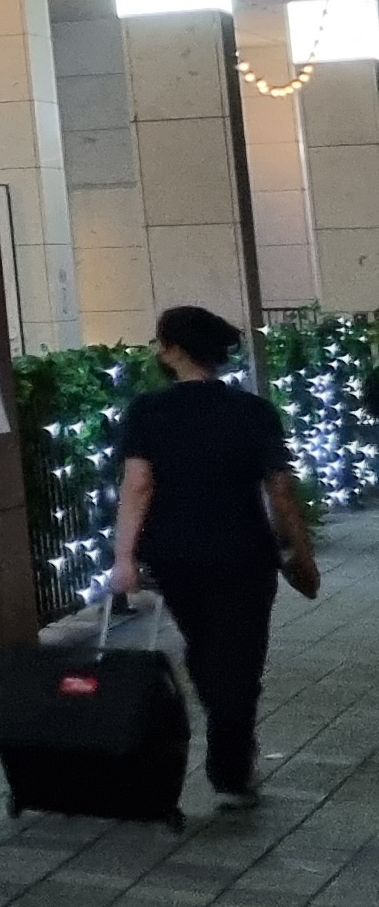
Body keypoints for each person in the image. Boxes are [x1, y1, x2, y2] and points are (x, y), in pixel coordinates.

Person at [110, 304, 324, 808]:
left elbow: (138, 485)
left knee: (204, 645)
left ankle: (227, 739)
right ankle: (230, 768)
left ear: (173, 350)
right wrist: (300, 552)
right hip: (243, 550)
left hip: (174, 554)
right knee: (241, 658)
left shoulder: (147, 411)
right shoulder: (252, 411)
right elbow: (280, 490)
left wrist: (125, 557)